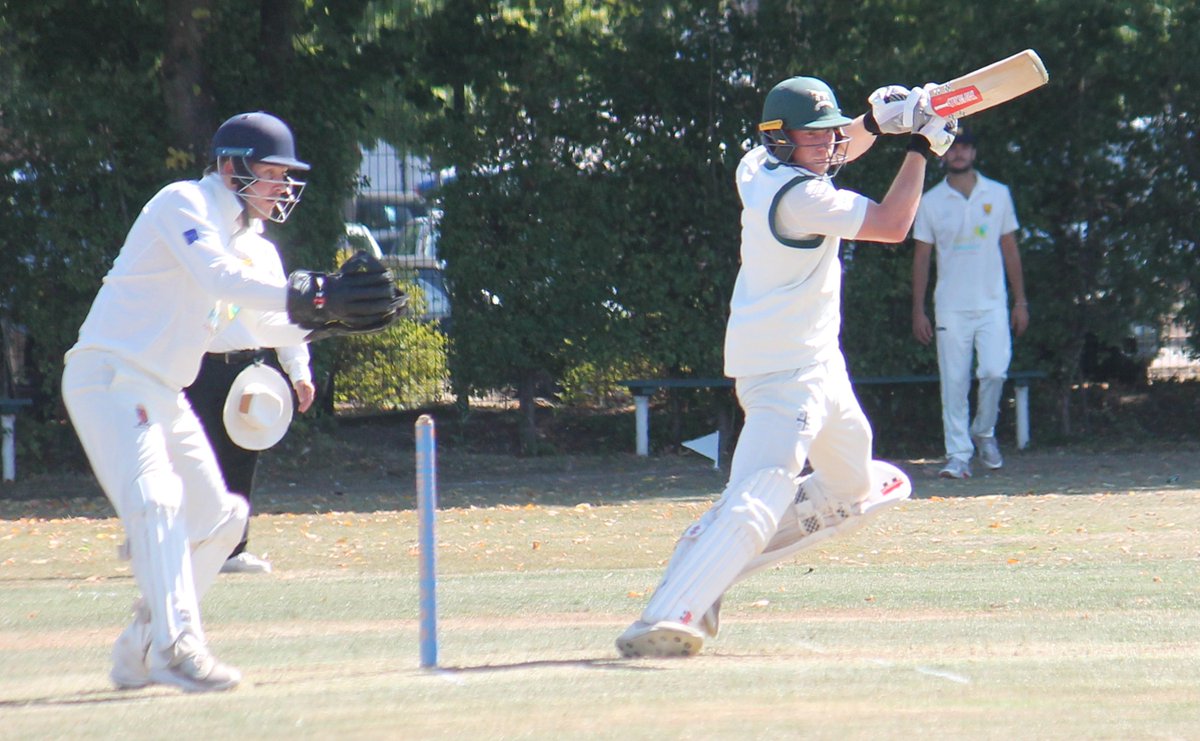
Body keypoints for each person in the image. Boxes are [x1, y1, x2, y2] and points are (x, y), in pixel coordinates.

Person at [61, 111, 404, 692]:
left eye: (285, 176)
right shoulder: (182, 203)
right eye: (270, 173)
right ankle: (177, 649)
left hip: (162, 390)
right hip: (109, 377)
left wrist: (332, 320)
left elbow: (255, 325)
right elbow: (219, 279)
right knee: (158, 498)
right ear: (229, 167)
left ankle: (141, 647)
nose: (281, 187)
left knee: (222, 518)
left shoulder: (250, 243)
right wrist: (318, 292)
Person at [616, 77, 956, 658]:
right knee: (761, 491)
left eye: (830, 133)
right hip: (782, 371)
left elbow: (835, 149)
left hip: (821, 362)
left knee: (852, 486)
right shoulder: (803, 200)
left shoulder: (754, 166)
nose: (827, 145)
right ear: (781, 138)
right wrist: (922, 147)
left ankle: (714, 555)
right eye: (812, 135)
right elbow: (892, 224)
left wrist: (874, 124)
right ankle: (671, 612)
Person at [183, 223, 316, 576]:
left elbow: (282, 315)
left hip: (248, 368)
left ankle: (233, 549)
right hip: (197, 366)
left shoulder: (262, 250)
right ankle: (188, 545)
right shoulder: (200, 242)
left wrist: (299, 371)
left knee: (242, 456)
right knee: (195, 458)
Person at [911, 129, 1028, 480]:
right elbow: (921, 258)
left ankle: (984, 431)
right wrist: (918, 309)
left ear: (974, 153)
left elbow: (1010, 249)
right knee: (954, 383)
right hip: (950, 307)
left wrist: (1020, 301)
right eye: (953, 148)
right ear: (944, 154)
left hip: (992, 304)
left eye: (965, 148)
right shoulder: (930, 201)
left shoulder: (998, 194)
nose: (959, 153)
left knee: (994, 371)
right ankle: (958, 455)